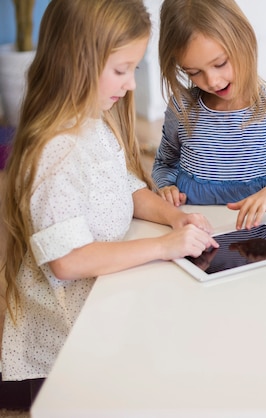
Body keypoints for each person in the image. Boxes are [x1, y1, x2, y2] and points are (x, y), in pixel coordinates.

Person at [0, 0, 219, 406]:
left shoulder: (92, 122)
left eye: (132, 70)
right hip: (65, 344)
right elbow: (67, 261)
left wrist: (174, 217)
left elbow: (126, 187)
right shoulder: (55, 150)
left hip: (106, 300)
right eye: (121, 70)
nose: (131, 84)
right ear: (76, 62)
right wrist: (161, 247)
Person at [153, 0, 266, 230]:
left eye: (220, 63)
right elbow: (164, 163)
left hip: (260, 235)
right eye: (195, 72)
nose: (212, 81)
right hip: (194, 233)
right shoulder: (182, 107)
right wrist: (165, 185)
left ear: (244, 40)